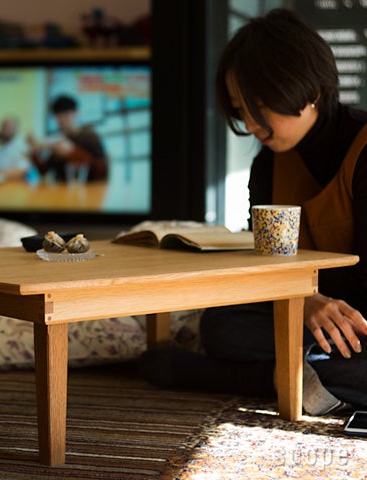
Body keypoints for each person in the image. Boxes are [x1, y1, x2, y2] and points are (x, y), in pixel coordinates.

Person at [139, 8, 367, 415]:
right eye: (240, 108)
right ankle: (312, 379)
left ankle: (273, 379)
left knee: (355, 349)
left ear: (309, 89)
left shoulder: (364, 149)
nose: (250, 122)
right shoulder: (268, 164)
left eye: (260, 104)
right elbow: (267, 266)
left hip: (362, 322)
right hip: (309, 318)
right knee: (223, 324)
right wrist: (307, 301)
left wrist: (317, 307)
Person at [28, 95, 108, 182]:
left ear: (76, 113)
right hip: (62, 191)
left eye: (66, 115)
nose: (62, 120)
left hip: (88, 190)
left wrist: (73, 153)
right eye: (58, 116)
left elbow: (102, 171)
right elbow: (44, 171)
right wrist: (33, 154)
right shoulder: (58, 140)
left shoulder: (90, 137)